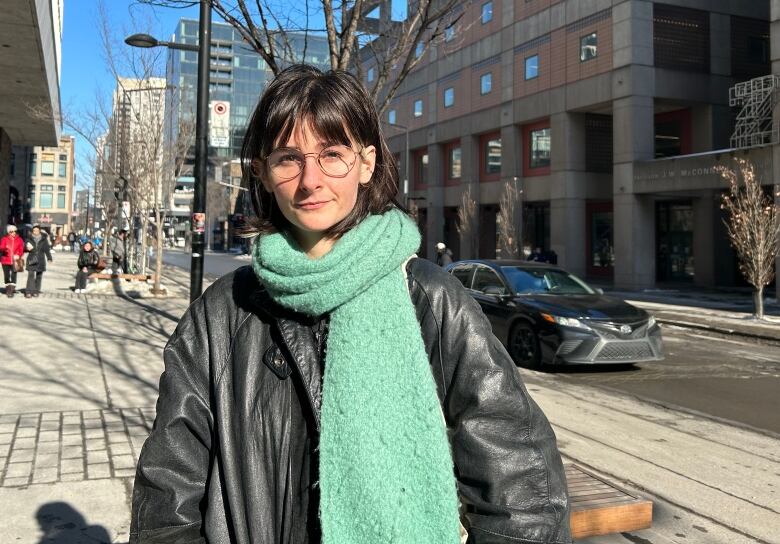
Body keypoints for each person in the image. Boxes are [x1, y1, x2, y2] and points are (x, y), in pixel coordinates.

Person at [130, 66, 570, 544]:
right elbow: (166, 502)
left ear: (366, 164)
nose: (310, 180)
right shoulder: (220, 316)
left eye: (332, 155)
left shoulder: (431, 299)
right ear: (261, 171)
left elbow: (522, 483)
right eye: (288, 159)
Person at [24, 225, 53, 298]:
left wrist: (49, 258)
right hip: (32, 258)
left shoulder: (44, 239)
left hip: (40, 259)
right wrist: (27, 248)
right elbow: (24, 248)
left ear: (39, 231)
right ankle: (29, 291)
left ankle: (36, 291)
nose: (35, 232)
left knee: (39, 276)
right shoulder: (29, 238)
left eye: (36, 230)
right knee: (30, 275)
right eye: (34, 231)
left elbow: (47, 249)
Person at [1, 224, 25, 297]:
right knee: (7, 275)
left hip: (15, 260)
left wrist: (18, 254)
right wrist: (4, 249)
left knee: (14, 275)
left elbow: (21, 249)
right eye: (11, 231)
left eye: (15, 231)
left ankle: (11, 290)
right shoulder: (4, 239)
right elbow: (1, 247)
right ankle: (8, 288)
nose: (13, 233)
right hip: (5, 260)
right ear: (8, 232)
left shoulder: (19, 239)